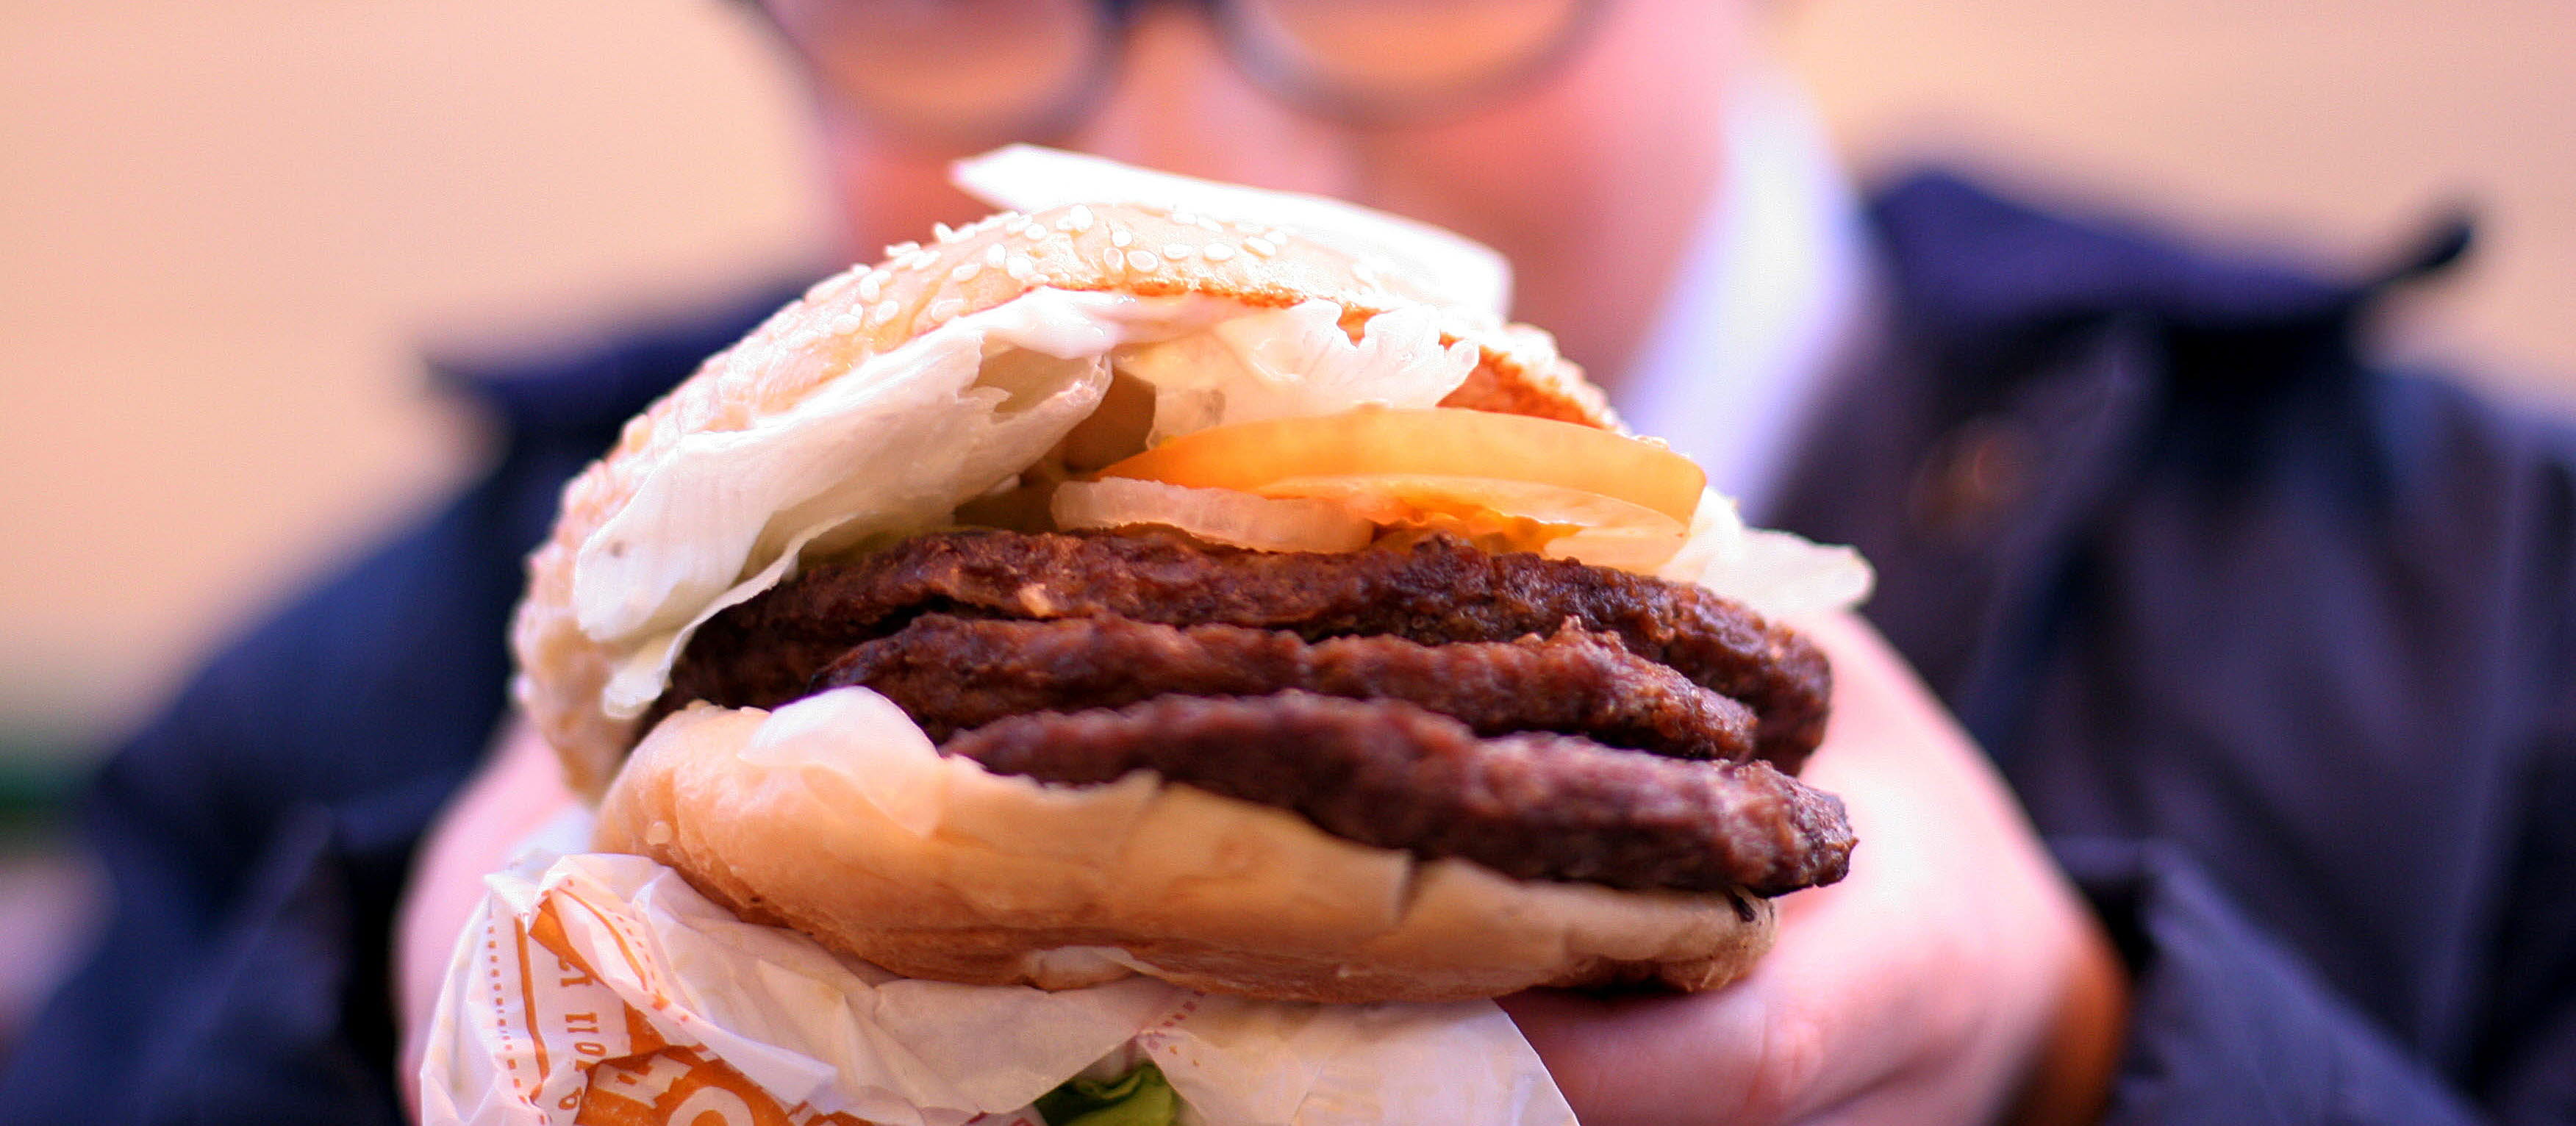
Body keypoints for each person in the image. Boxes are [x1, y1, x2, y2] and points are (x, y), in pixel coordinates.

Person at [6, 1, 2570, 1122]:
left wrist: (2098, 1056)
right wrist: (375, 1033)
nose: (1191, 122)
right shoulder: (338, 709)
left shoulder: (2477, 611)